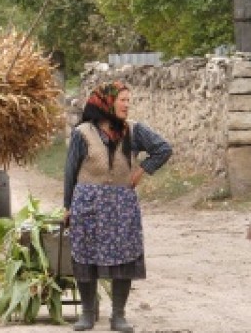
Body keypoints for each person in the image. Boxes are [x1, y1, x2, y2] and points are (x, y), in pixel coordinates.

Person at [63, 81, 172, 332]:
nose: (127, 105)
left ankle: (118, 316)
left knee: (125, 256)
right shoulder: (83, 133)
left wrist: (144, 169)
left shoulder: (133, 131)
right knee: (85, 255)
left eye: (128, 100)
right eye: (122, 100)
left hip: (122, 205)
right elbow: (70, 173)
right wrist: (67, 207)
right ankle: (87, 315)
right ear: (106, 102)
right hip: (88, 203)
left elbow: (163, 149)